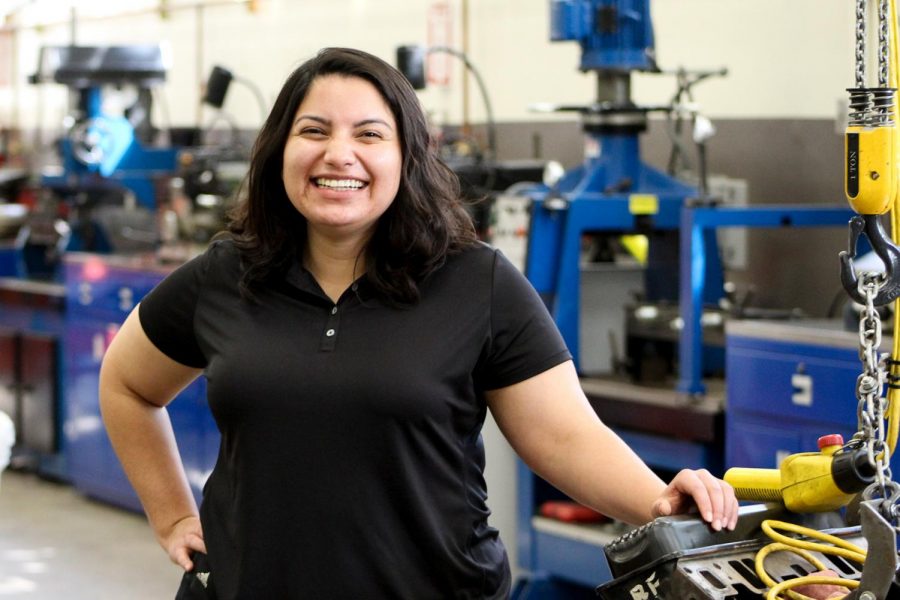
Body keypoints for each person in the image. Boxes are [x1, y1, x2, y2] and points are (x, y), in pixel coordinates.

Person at [99, 47, 739, 599]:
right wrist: (170, 514)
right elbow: (127, 383)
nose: (338, 154)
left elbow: (564, 436)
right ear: (279, 150)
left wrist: (658, 502)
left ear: (407, 154)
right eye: (313, 131)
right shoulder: (226, 275)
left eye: (369, 135)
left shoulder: (474, 281)